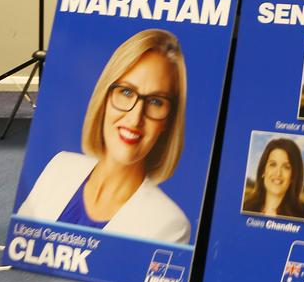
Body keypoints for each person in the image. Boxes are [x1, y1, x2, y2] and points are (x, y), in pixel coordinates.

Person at [17, 29, 190, 243]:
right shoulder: (60, 167)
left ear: (168, 121)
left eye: (156, 102)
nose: (135, 118)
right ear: (104, 97)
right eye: (126, 92)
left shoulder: (170, 224)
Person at [241, 137, 304, 220]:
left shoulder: (303, 215)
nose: (278, 173)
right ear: (263, 171)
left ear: (293, 176)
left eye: (286, 167)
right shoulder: (246, 207)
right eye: (273, 164)